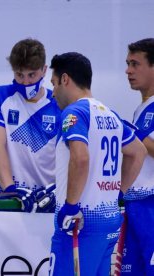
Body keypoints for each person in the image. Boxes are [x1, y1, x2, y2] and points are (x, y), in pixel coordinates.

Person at [48, 52, 146, 276]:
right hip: (109, 220)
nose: (53, 92)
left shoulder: (75, 112)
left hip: (80, 224)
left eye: (53, 84)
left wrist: (71, 206)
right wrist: (118, 193)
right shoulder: (109, 113)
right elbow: (138, 152)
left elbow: (80, 158)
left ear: (65, 79)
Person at [0, 38, 61, 212]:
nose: (25, 82)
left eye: (31, 75)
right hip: (8, 196)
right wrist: (10, 189)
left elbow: (69, 154)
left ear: (44, 71)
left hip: (45, 199)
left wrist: (58, 189)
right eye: (19, 74)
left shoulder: (58, 102)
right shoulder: (0, 95)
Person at [121, 38, 154, 275]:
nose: (128, 70)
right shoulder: (141, 108)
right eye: (127, 63)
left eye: (135, 64)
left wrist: (133, 133)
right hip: (135, 204)